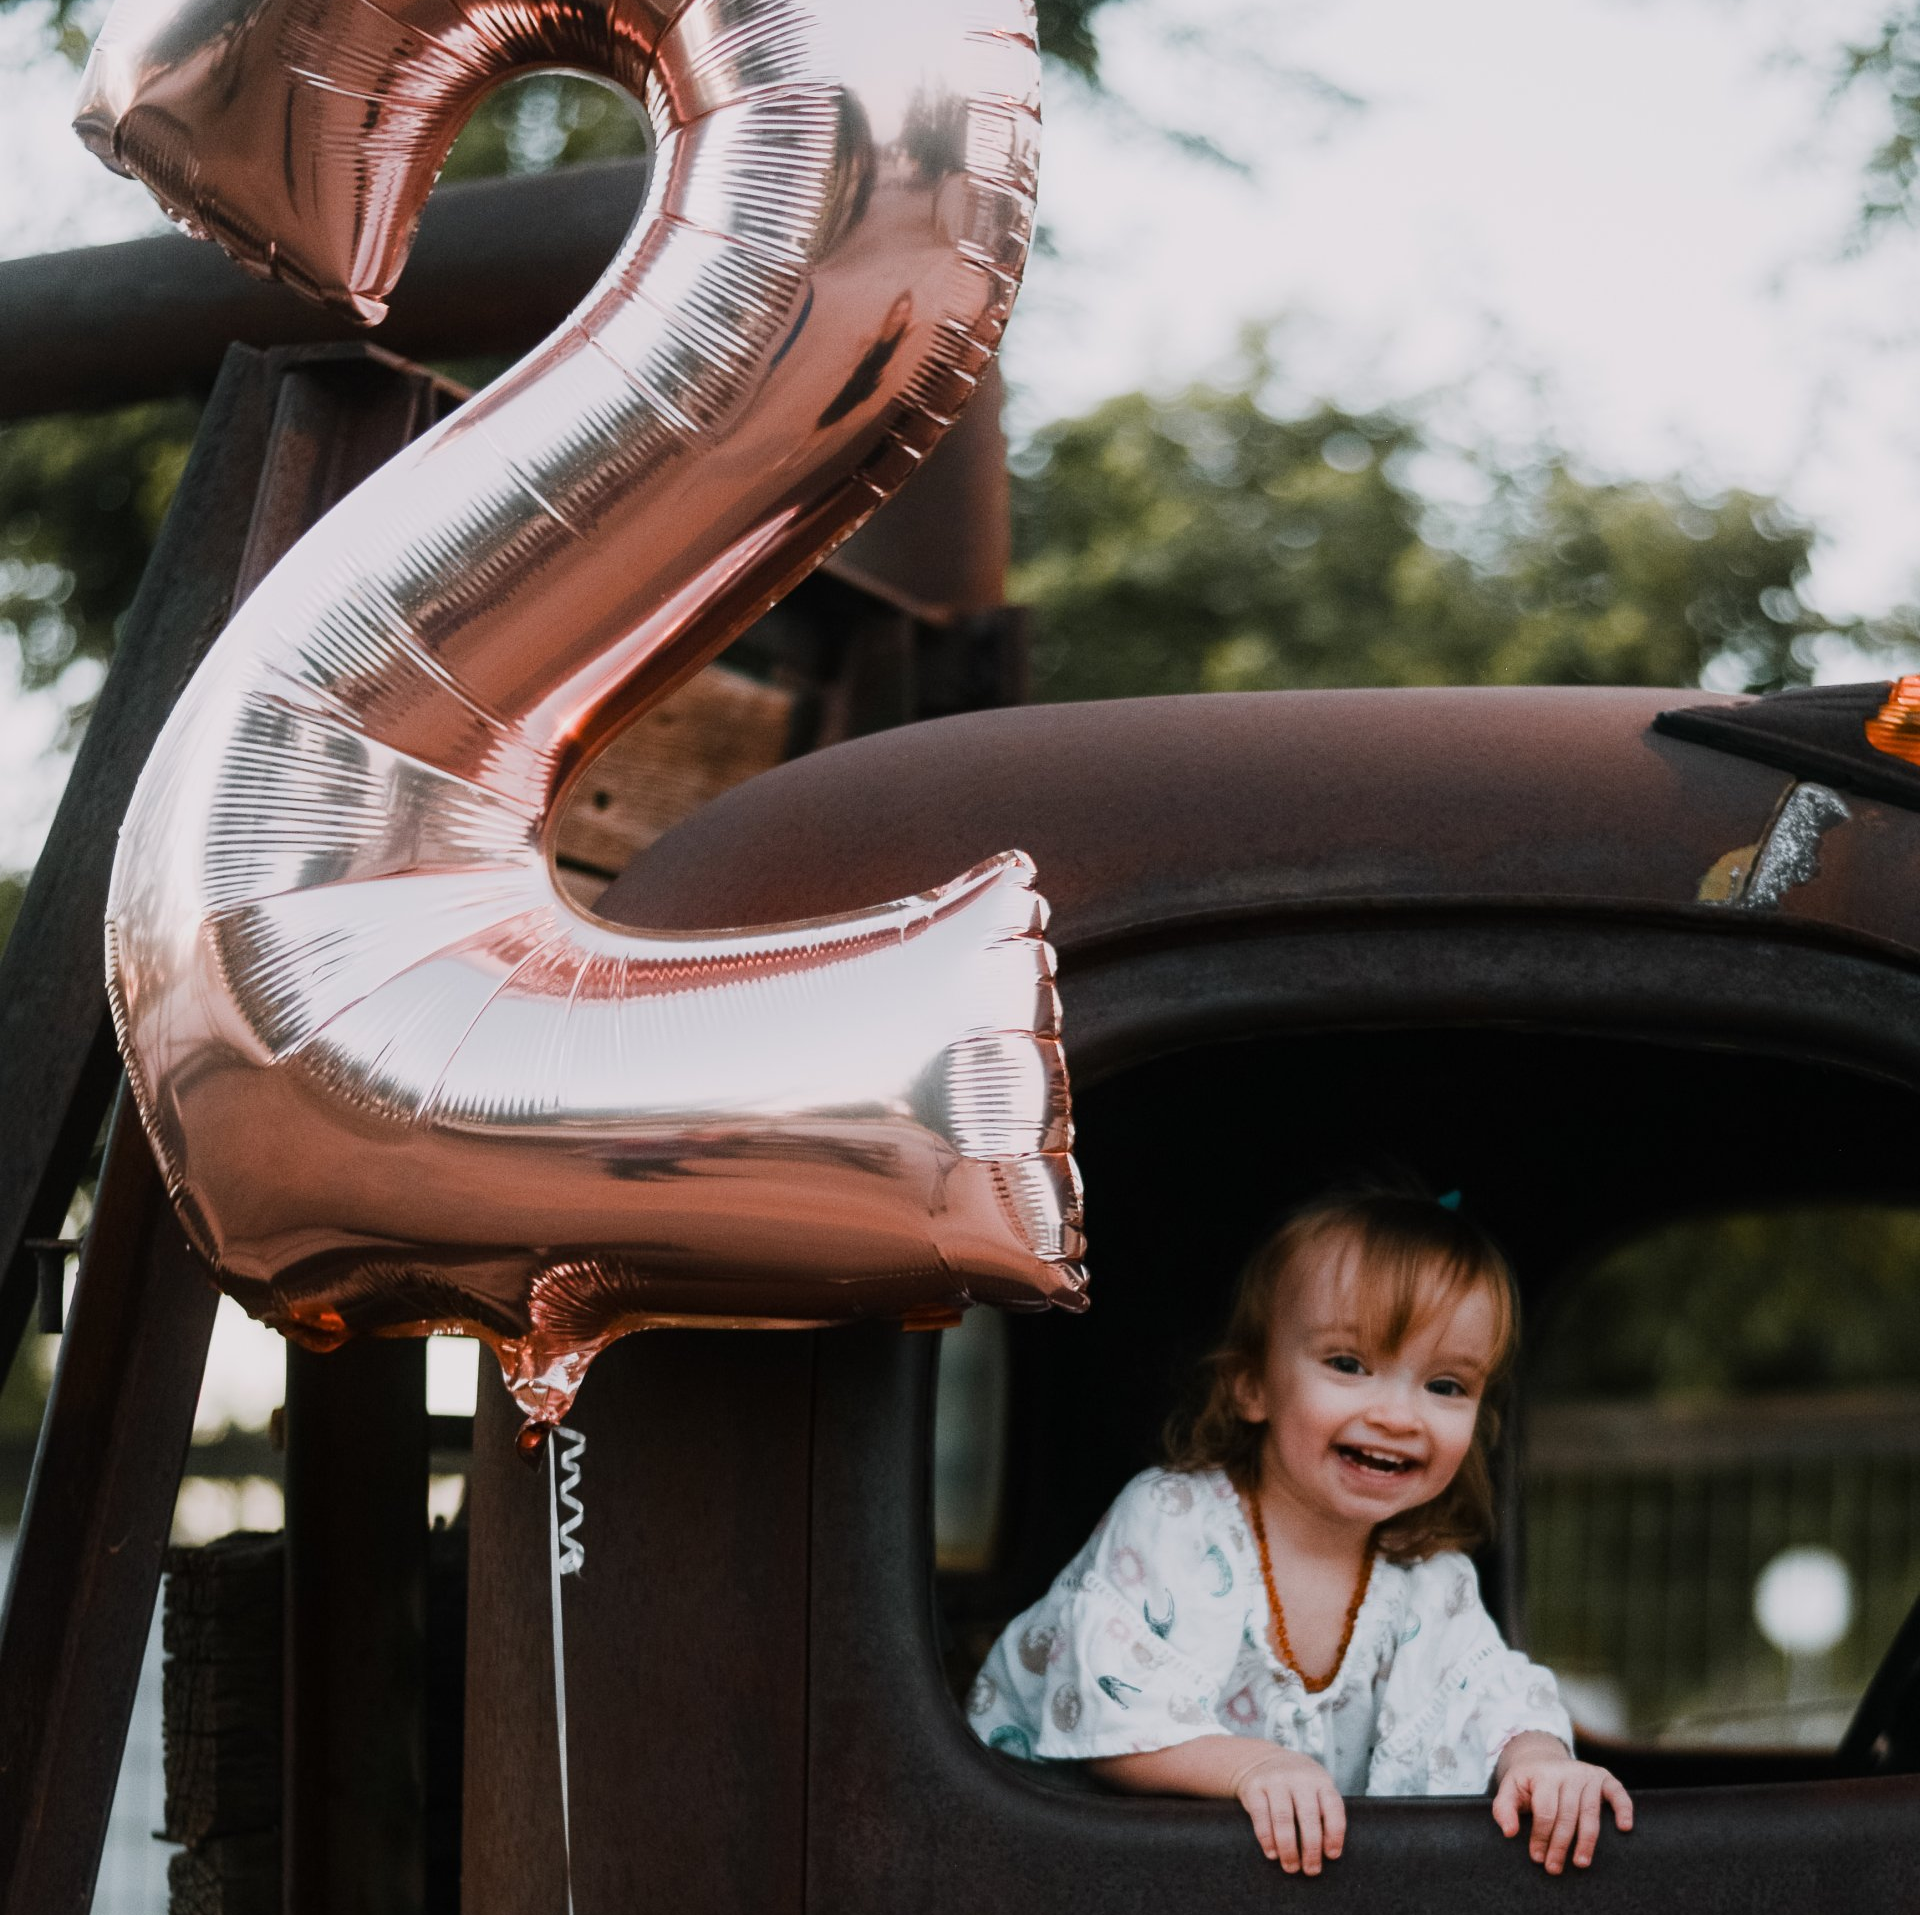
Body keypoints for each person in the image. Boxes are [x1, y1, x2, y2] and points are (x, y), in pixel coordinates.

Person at [966, 1183, 1634, 1876]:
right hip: (1053, 1857)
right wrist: (1251, 1764)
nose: (1399, 1415)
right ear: (1251, 1384)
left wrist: (1540, 1762)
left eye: (1446, 1385)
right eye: (1349, 1364)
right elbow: (1110, 1717)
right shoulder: (1175, 1524)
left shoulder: (1429, 1577)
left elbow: (1490, 1695)